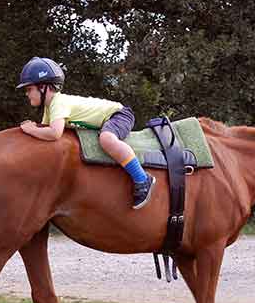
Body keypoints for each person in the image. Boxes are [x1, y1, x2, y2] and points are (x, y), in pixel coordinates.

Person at [16, 56, 156, 209]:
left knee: (106, 139)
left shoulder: (58, 102)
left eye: (29, 89)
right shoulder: (50, 108)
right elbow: (44, 130)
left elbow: (54, 133)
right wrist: (34, 128)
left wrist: (31, 129)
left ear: (43, 87)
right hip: (108, 119)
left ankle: (142, 178)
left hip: (118, 114)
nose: (27, 93)